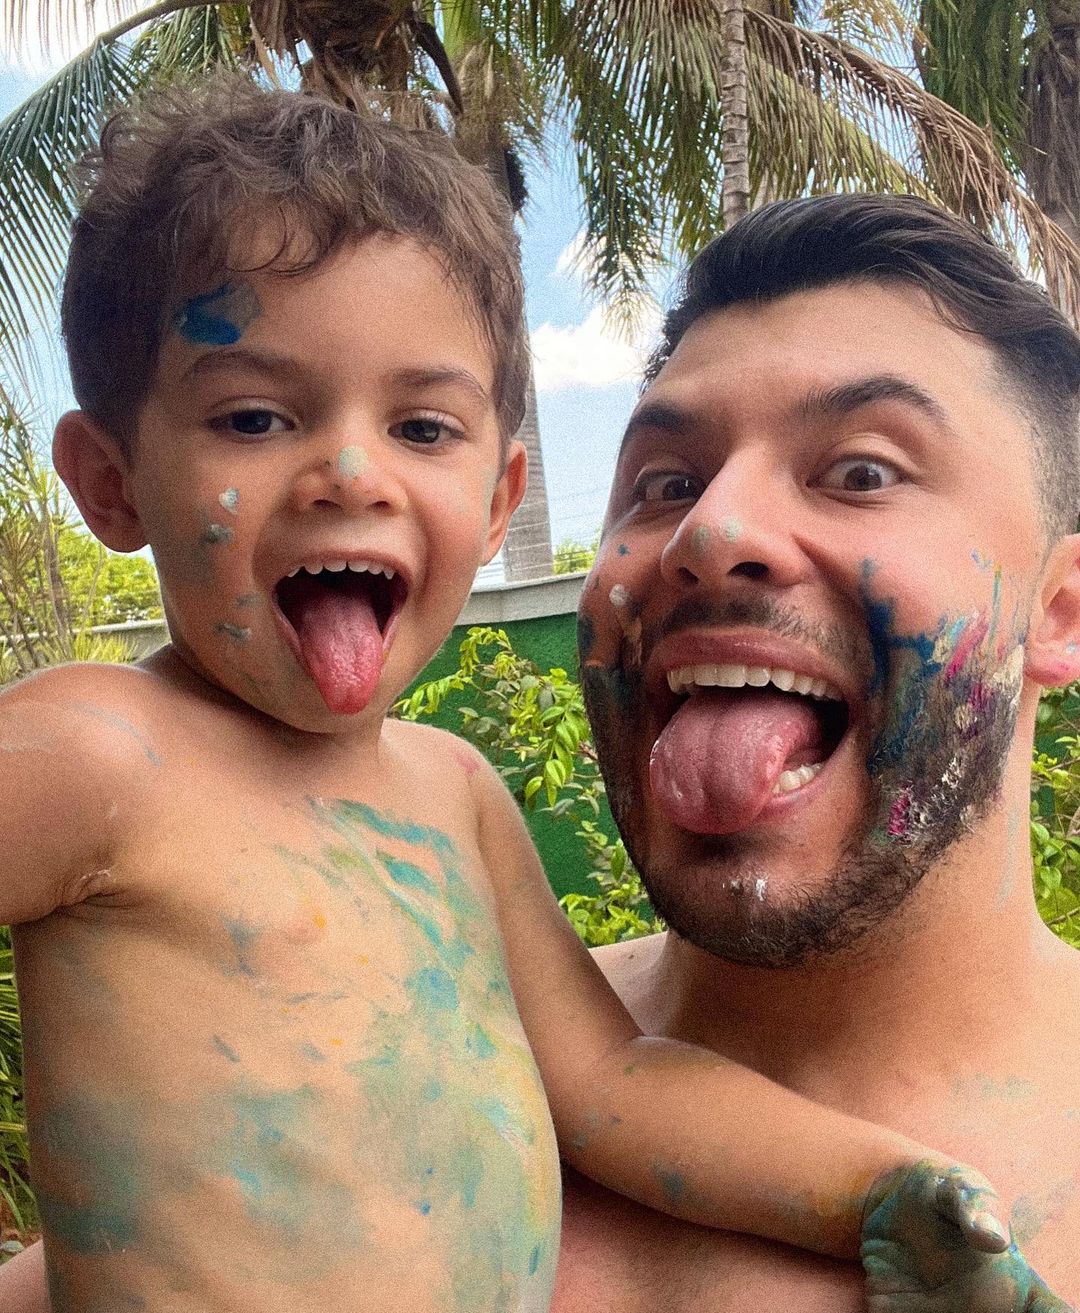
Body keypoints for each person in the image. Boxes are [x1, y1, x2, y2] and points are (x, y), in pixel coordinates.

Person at [0, 80, 1057, 1313]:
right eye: (252, 414)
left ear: (501, 502)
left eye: (423, 427)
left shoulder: (455, 796)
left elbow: (616, 1089)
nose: (352, 469)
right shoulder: (93, 756)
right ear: (111, 480)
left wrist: (885, 1189)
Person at [556, 193, 1080, 1312]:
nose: (710, 533)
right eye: (665, 483)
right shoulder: (411, 1068)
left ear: (1063, 608)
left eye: (861, 471)